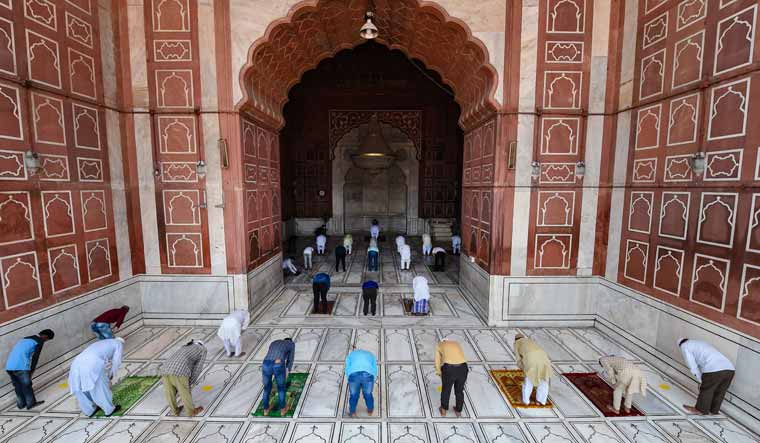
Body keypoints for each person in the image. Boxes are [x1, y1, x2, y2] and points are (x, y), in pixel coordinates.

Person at [69, 337, 124, 417]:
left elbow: (103, 358)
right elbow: (116, 361)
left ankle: (90, 410)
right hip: (91, 363)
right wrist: (110, 375)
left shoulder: (105, 342)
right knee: (100, 386)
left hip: (76, 363)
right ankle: (109, 409)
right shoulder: (118, 344)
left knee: (81, 388)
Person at [679, 338, 735, 415]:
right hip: (730, 369)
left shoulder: (684, 346)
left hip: (714, 368)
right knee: (720, 391)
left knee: (707, 389)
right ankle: (714, 410)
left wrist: (700, 379)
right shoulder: (700, 342)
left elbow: (692, 365)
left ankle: (700, 410)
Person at [5, 329, 55, 410]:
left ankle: (21, 404)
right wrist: (31, 371)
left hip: (9, 366)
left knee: (17, 386)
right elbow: (35, 358)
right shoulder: (39, 341)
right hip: (20, 366)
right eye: (47, 339)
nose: (45, 341)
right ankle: (31, 404)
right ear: (45, 336)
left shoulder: (25, 339)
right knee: (27, 385)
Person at [160, 339, 207, 417]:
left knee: (169, 392)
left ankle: (175, 411)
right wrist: (190, 381)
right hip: (179, 370)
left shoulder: (185, 346)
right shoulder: (203, 350)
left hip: (165, 369)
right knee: (184, 391)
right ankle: (191, 411)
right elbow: (198, 368)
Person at [514, 334, 552, 406]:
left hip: (531, 360)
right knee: (544, 379)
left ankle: (526, 401)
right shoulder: (530, 340)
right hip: (544, 359)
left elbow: (518, 359)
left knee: (528, 381)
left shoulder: (517, 343)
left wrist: (523, 368)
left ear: (516, 339)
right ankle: (540, 401)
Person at [262, 337, 295, 416]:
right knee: (281, 388)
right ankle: (283, 409)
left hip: (265, 363)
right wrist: (287, 370)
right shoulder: (291, 344)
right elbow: (290, 359)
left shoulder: (274, 341)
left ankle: (266, 409)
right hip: (278, 363)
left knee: (266, 388)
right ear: (289, 341)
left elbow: (271, 353)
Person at [435, 339, 468, 417]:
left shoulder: (439, 345)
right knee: (459, 390)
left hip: (449, 369)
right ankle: (458, 411)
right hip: (463, 367)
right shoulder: (457, 343)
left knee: (446, 390)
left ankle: (443, 410)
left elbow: (437, 361)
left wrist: (439, 372)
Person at [345, 347, 377, 417]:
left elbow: (347, 367)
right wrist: (373, 377)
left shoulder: (351, 354)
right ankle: (370, 410)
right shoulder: (370, 354)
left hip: (353, 374)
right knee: (368, 394)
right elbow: (374, 367)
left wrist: (349, 377)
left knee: (353, 395)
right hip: (368, 374)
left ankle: (352, 412)